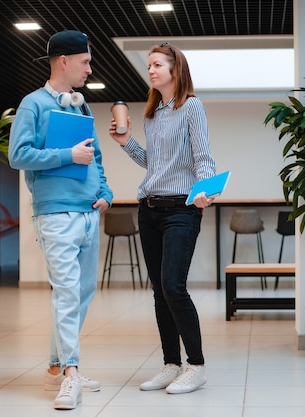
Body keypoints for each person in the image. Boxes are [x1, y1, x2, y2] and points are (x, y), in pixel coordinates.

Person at [9, 30, 113, 410]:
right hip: (55, 215)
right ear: (64, 61)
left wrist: (105, 191)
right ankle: (70, 373)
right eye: (85, 62)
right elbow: (18, 156)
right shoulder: (32, 105)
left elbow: (96, 156)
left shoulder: (81, 107)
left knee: (83, 293)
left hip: (89, 213)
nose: (89, 69)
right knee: (67, 293)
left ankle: (57, 365)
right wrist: (67, 155)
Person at [108, 42, 216, 394]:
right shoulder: (151, 114)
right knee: (159, 291)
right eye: (150, 65)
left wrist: (207, 188)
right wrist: (126, 142)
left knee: (173, 286)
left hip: (182, 210)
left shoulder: (192, 107)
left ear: (175, 70)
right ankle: (171, 364)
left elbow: (203, 156)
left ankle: (196, 365)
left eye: (157, 65)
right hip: (149, 208)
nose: (151, 70)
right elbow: (151, 163)